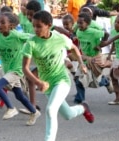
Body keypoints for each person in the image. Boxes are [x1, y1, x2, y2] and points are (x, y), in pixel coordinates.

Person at [22, 10, 94, 141]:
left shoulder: (59, 38)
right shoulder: (31, 43)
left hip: (61, 80)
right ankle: (83, 108)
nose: (36, 29)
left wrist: (81, 63)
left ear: (49, 25)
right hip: (47, 84)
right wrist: (38, 82)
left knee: (50, 110)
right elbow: (25, 68)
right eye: (34, 26)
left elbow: (74, 48)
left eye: (39, 26)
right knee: (67, 114)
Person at [0, 12, 40, 125]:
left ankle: (11, 108)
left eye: (3, 22)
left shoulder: (17, 36)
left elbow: (34, 38)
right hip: (7, 70)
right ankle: (34, 111)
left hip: (17, 70)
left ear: (11, 25)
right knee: (19, 95)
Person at [73, 12, 113, 104]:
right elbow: (80, 43)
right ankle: (80, 99)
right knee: (78, 79)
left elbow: (106, 34)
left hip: (94, 58)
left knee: (95, 83)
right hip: (85, 59)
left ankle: (106, 81)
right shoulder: (79, 31)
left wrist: (100, 45)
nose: (79, 25)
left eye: (81, 23)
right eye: (78, 23)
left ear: (87, 23)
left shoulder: (93, 32)